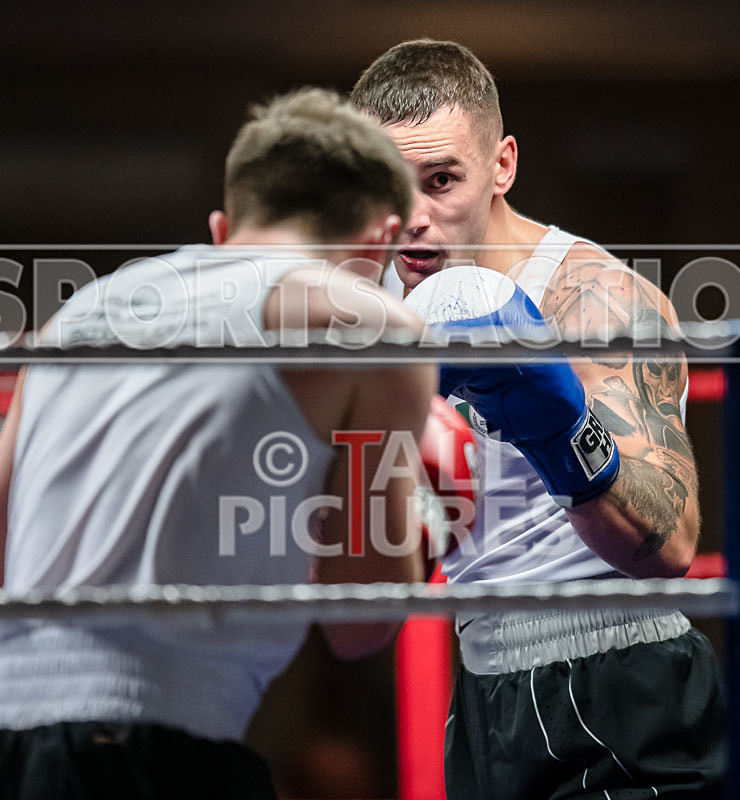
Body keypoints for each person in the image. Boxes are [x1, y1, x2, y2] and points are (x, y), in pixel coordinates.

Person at [0, 88, 438, 799]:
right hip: (155, 748)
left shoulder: (71, 319)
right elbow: (360, 621)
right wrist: (420, 507)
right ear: (381, 242)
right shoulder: (372, 326)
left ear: (222, 228)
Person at [352, 41, 726, 798]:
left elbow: (673, 543)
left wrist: (561, 434)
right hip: (483, 686)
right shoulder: (371, 304)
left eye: (443, 181)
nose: (415, 219)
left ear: (502, 166)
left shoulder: (592, 300)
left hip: (623, 677)